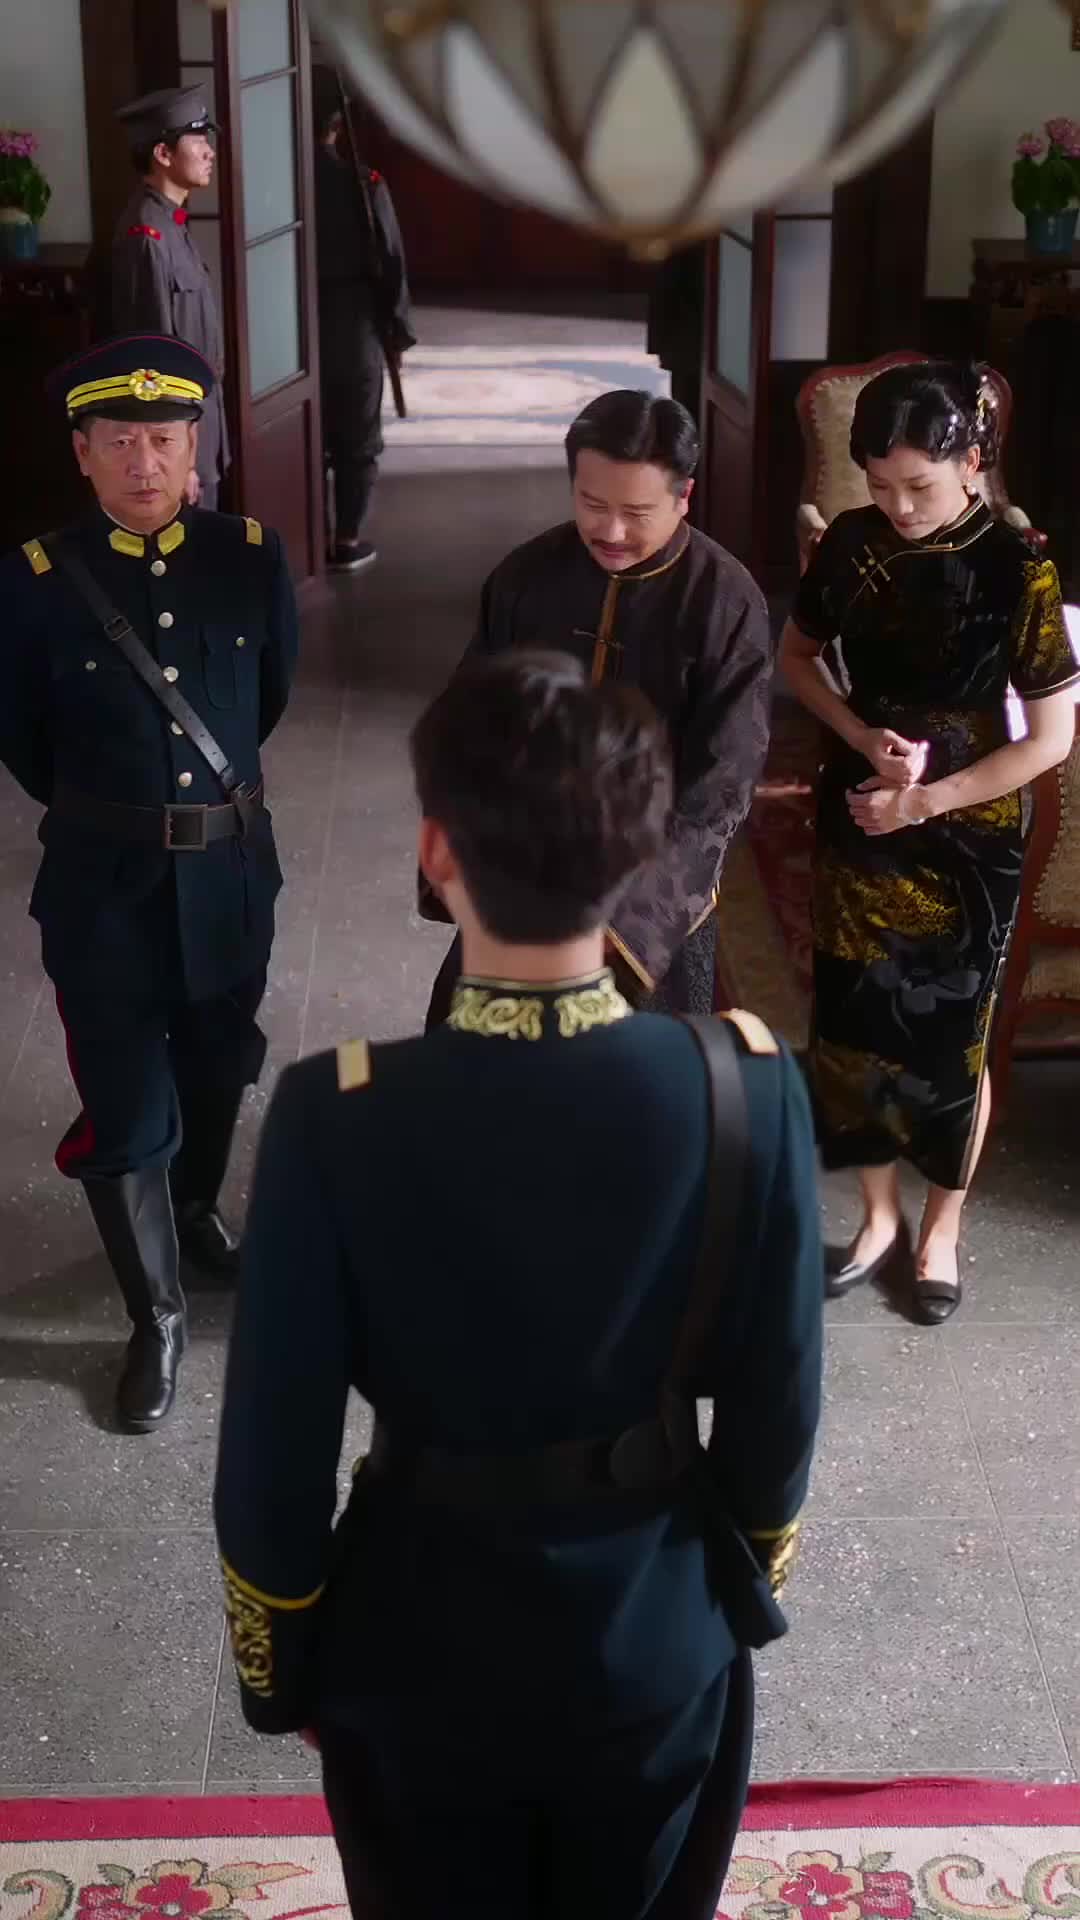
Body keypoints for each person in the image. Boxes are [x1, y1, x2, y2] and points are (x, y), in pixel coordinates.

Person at [214, 651, 823, 1920]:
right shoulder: (747, 1088)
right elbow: (777, 1423)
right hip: (657, 1636)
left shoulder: (336, 1115)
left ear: (437, 850)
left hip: (416, 1644)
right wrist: (727, 1602)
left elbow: (273, 1466)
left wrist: (288, 1672)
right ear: (641, 854)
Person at [0, 334, 298, 1431]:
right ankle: (156, 1315)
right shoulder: (31, 580)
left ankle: (196, 1208)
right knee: (126, 1096)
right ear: (82, 452)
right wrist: (121, 808)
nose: (144, 462)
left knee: (218, 1057)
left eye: (164, 440)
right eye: (119, 442)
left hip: (229, 870)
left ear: (194, 445)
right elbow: (23, 738)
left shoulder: (250, 557)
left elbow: (268, 698)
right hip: (103, 885)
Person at [780, 359, 1079, 1326]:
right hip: (861, 806)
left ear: (972, 460)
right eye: (879, 486)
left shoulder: (1018, 567)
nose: (899, 509)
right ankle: (877, 1215)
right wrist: (859, 734)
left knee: (956, 1040)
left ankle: (941, 1226)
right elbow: (797, 658)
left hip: (967, 832)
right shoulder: (852, 544)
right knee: (856, 1024)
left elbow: (1051, 738)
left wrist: (926, 802)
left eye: (919, 485)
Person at [421, 390, 774, 1026]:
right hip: (521, 883)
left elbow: (720, 787)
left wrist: (623, 925)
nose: (611, 531)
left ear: (684, 497)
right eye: (592, 504)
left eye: (636, 512)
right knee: (474, 1062)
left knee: (648, 1071)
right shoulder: (526, 576)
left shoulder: (726, 602)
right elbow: (469, 726)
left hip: (653, 910)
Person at [312, 66, 416, 572]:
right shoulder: (364, 183)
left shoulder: (275, 185)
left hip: (291, 328)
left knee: (305, 437)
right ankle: (346, 538)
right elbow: (391, 264)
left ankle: (306, 533)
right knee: (357, 441)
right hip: (353, 325)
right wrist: (396, 331)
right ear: (336, 124)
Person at [111, 87, 228, 510]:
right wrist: (176, 458)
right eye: (198, 140)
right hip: (177, 443)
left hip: (199, 424)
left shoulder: (170, 223)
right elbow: (149, 360)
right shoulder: (147, 236)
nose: (209, 152)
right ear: (163, 154)